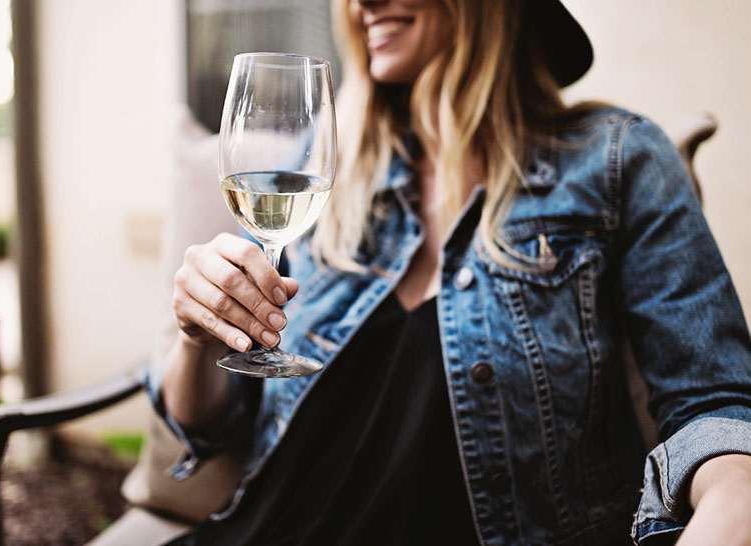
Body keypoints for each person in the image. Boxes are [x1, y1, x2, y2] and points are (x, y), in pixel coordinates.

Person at [150, 0, 751, 544]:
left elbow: (715, 404)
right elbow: (210, 425)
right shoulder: (329, 163)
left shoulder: (617, 161)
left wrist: (734, 499)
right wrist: (198, 336)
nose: (363, 4)